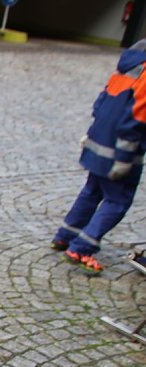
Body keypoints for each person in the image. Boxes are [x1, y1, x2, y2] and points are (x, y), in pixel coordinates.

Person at [51, 39, 146, 274]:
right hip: (120, 149)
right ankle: (82, 248)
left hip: (98, 139)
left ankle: (65, 236)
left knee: (92, 191)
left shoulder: (129, 65)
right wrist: (124, 157)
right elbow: (136, 118)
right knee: (117, 201)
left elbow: (101, 102)